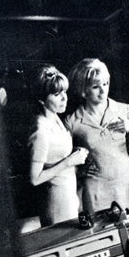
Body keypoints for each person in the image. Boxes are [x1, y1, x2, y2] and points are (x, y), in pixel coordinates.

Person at [65, 58, 129, 214]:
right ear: (83, 90)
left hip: (126, 181)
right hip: (96, 187)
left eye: (105, 84)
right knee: (101, 228)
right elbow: (64, 157)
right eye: (95, 87)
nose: (103, 90)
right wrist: (79, 171)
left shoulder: (125, 110)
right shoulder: (72, 121)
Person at [26, 65, 89, 226]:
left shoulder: (54, 117)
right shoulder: (40, 129)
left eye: (64, 92)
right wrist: (69, 161)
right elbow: (34, 179)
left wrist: (74, 156)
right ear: (41, 99)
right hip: (56, 202)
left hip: (69, 194)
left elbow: (55, 153)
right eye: (56, 94)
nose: (64, 98)